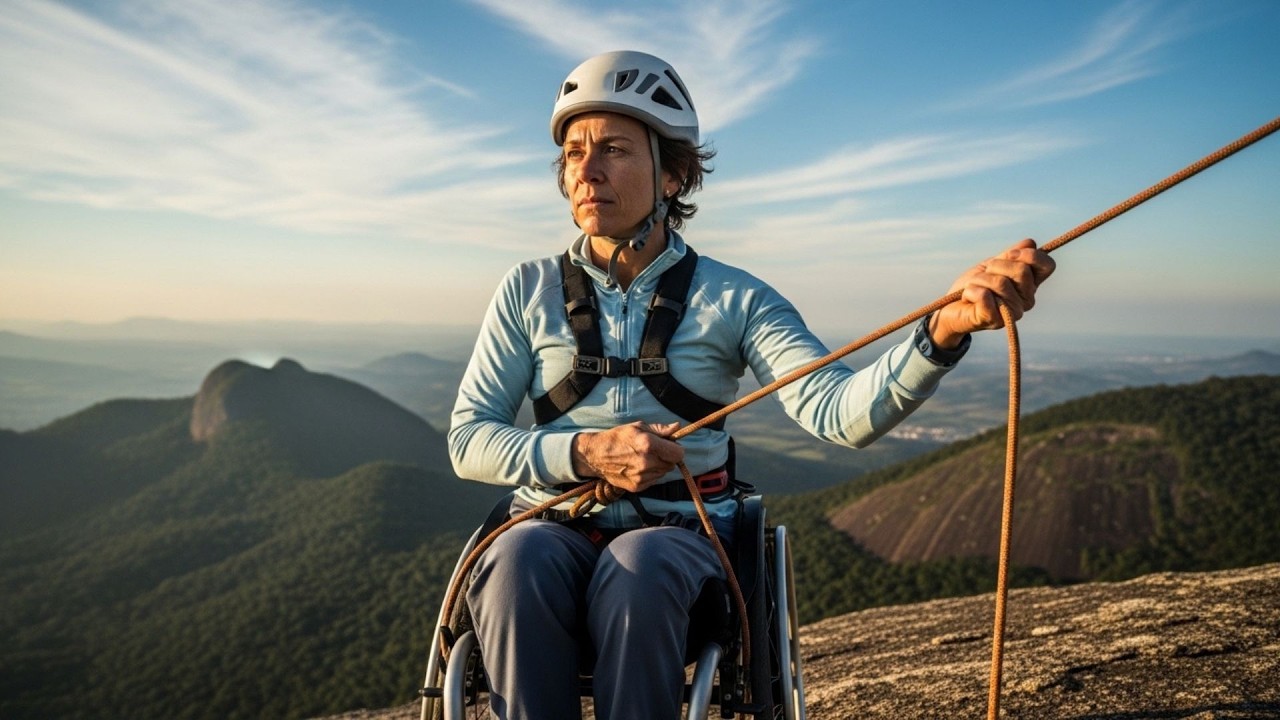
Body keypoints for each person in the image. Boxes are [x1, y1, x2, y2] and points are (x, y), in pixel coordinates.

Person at [448, 50, 1055, 720]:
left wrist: (942, 331)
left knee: (641, 572)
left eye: (614, 149)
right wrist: (588, 454)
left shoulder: (736, 299)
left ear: (673, 172)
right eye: (573, 152)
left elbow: (840, 413)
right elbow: (469, 439)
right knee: (515, 565)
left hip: (677, 540)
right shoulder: (526, 290)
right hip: (550, 521)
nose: (586, 171)